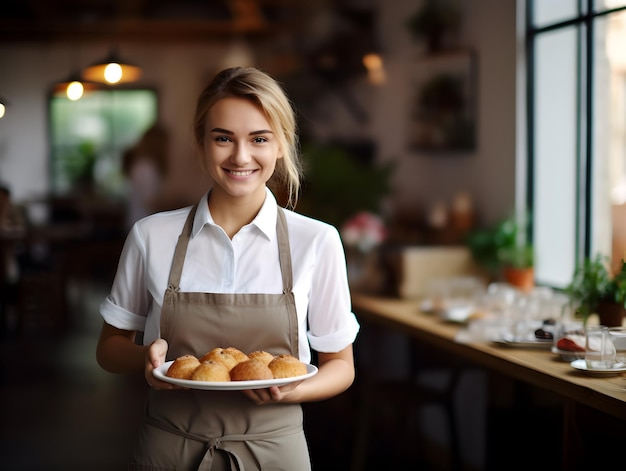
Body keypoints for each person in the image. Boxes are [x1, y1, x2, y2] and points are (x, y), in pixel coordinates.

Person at [96, 66, 360, 470]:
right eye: (223, 138)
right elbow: (109, 349)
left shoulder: (317, 241)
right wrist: (146, 359)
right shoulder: (151, 236)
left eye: (259, 139)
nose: (240, 156)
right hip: (170, 449)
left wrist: (292, 391)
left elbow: (340, 366)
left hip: (275, 452)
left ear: (281, 146)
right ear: (202, 144)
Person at [121, 123, 169, 229]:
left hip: (138, 223)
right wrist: (176, 205)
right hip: (142, 225)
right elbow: (150, 202)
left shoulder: (141, 164)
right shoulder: (146, 167)